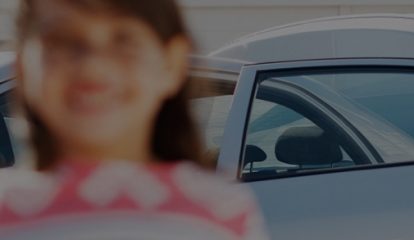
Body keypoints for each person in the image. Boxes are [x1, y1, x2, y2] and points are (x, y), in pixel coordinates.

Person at [0, 0, 268, 239]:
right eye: (62, 41)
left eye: (124, 40)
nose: (93, 67)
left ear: (172, 63)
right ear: (24, 68)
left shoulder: (221, 212)